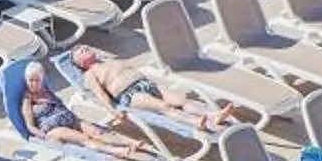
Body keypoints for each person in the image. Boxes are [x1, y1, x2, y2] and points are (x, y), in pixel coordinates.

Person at [16, 60, 155, 161]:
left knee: (98, 131)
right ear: (26, 80)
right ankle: (116, 151)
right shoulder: (27, 100)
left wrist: (75, 119)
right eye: (31, 80)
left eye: (37, 80)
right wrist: (45, 137)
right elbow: (30, 126)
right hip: (53, 129)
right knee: (85, 138)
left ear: (42, 79)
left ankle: (133, 143)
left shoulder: (47, 91)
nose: (34, 83)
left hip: (72, 120)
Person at [66, 44, 220, 131]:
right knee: (164, 106)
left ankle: (213, 115)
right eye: (80, 51)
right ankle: (199, 121)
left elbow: (134, 66)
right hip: (130, 94)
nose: (85, 48)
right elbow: (100, 94)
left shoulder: (109, 60)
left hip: (146, 83)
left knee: (182, 100)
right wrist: (113, 110)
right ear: (79, 63)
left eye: (86, 47)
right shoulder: (90, 74)